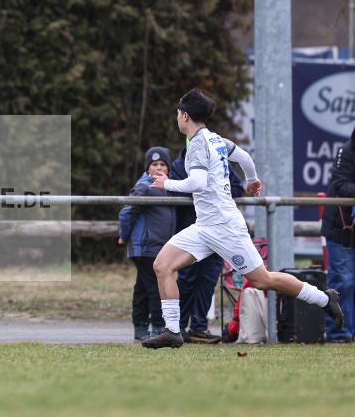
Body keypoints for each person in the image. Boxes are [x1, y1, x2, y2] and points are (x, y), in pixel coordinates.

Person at [144, 88, 344, 349]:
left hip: (225, 227)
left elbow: (198, 182)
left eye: (178, 113)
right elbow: (245, 157)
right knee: (163, 265)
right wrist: (251, 180)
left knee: (264, 279)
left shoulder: (198, 145)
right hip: (205, 226)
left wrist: (166, 183)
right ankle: (172, 331)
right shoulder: (215, 139)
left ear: (185, 115)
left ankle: (324, 299)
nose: (177, 118)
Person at [169, 144, 245, 344]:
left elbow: (238, 188)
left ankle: (199, 328)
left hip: (218, 232)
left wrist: (213, 192)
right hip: (192, 233)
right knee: (186, 280)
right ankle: (180, 327)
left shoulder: (219, 163)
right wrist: (201, 190)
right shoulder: (178, 165)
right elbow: (176, 192)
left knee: (208, 281)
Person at [118, 147, 174, 341]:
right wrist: (124, 235)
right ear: (147, 168)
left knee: (142, 287)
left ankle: (140, 326)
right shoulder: (145, 186)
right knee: (155, 287)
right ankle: (157, 327)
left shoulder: (169, 186)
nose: (158, 168)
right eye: (154, 164)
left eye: (162, 164)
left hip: (159, 246)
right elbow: (127, 211)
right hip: (146, 246)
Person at [319, 125, 355, 342]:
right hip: (340, 229)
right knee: (342, 282)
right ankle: (339, 334)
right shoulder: (347, 151)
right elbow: (341, 185)